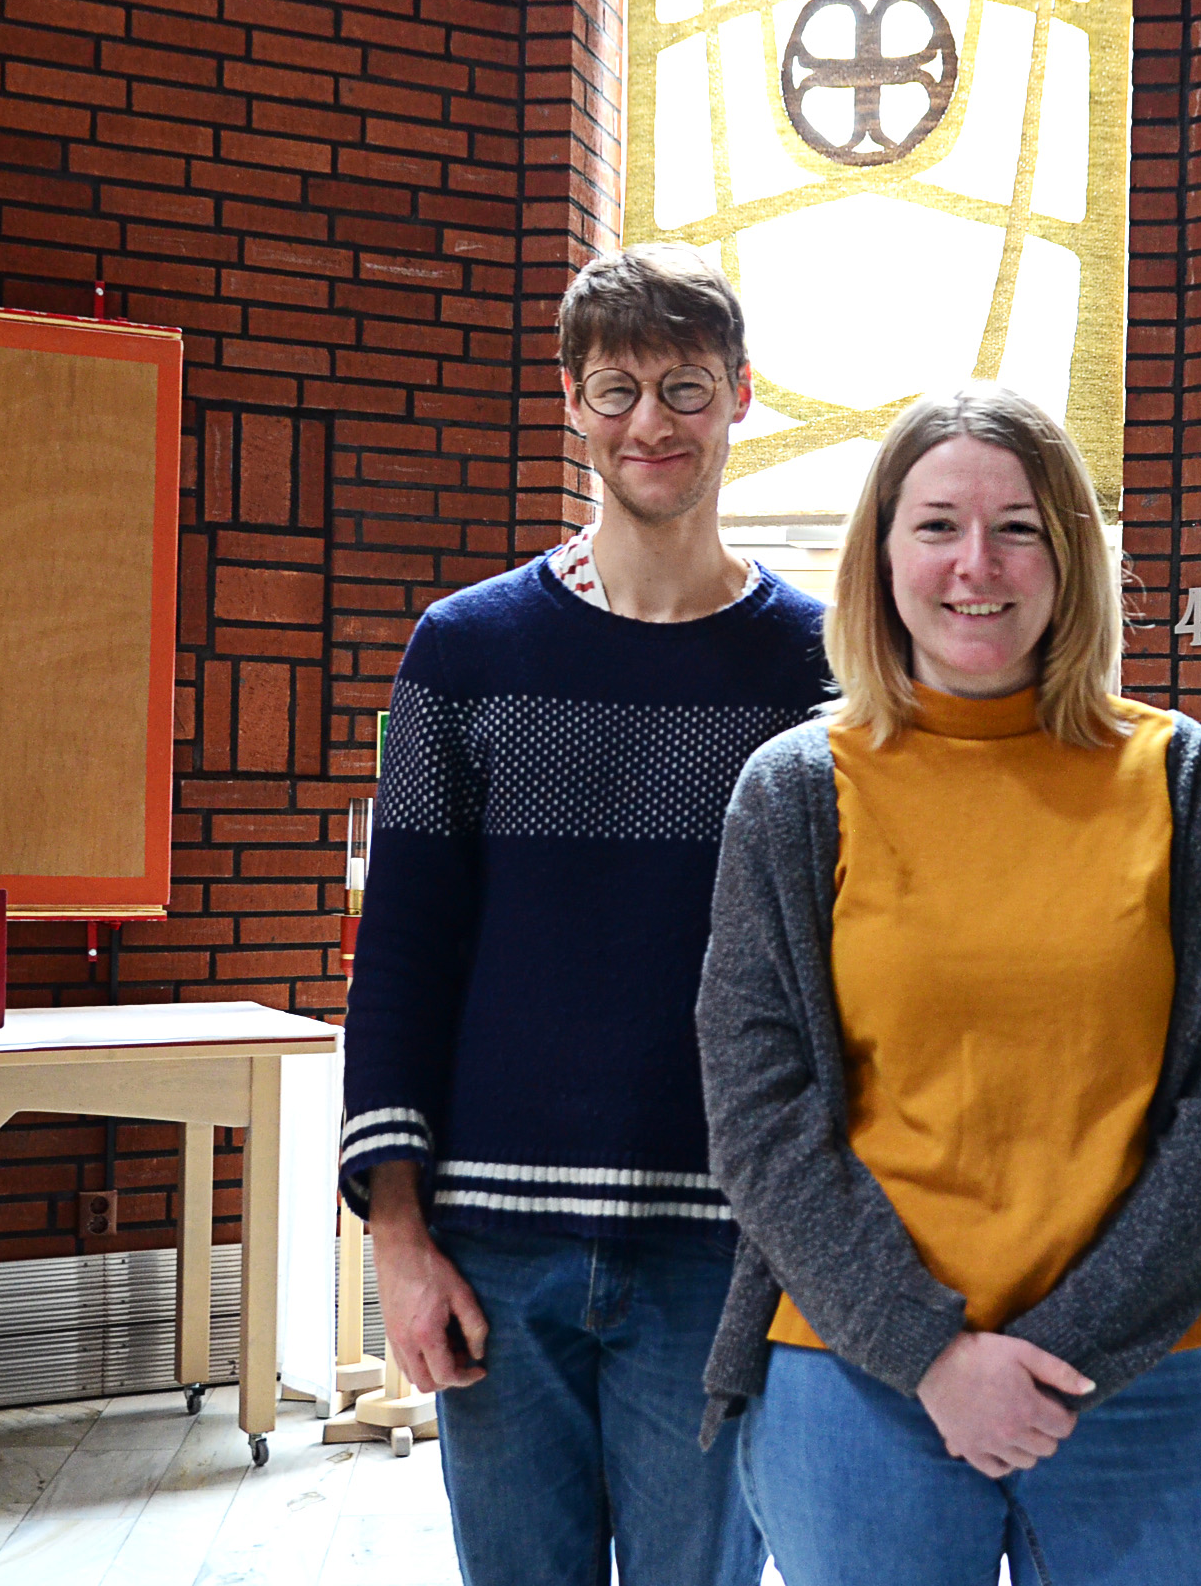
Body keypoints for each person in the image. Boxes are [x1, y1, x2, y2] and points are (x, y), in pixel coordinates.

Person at [690, 381, 1201, 1586]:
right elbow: (757, 1109)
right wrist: (932, 1355)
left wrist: (1063, 1351)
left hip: (1133, 1371)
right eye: (937, 525)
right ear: (881, 555)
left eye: (1019, 525)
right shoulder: (797, 788)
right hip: (857, 1370)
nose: (979, 563)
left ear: (1069, 555)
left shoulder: (1178, 778)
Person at [339, 244, 828, 1586]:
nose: (650, 424)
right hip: (495, 1243)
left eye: (683, 388)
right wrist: (397, 1239)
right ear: (571, 402)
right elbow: (407, 953)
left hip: (724, 1250)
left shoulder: (823, 668)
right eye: (616, 390)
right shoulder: (464, 649)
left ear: (741, 396)